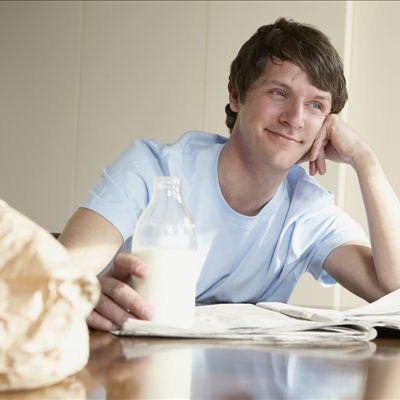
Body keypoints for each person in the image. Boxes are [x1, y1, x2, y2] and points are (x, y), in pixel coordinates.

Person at [59, 18, 400, 332]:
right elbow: (60, 274)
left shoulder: (307, 209)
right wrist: (82, 290)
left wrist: (364, 160)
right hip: (125, 367)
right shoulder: (153, 169)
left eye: (316, 105)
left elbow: (394, 290)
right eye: (279, 93)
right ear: (236, 96)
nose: (295, 118)